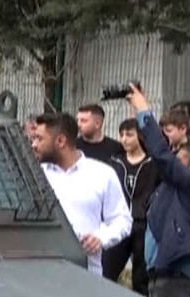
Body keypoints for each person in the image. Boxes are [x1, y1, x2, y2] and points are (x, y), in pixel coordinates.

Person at [127, 86, 190, 297]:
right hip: (162, 276)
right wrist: (136, 112)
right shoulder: (176, 185)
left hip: (175, 278)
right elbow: (157, 150)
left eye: (180, 162)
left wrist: (144, 112)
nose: (173, 164)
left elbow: (163, 156)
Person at [33, 112, 132, 276]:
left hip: (86, 274)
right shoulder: (34, 174)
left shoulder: (102, 174)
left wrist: (101, 237)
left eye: (39, 139)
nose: (34, 145)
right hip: (40, 272)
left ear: (61, 141)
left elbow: (122, 220)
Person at [101, 118, 158, 296]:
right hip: (120, 221)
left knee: (141, 274)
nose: (125, 139)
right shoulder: (115, 162)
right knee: (107, 269)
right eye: (122, 135)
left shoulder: (153, 163)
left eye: (130, 135)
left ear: (140, 136)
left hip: (143, 223)